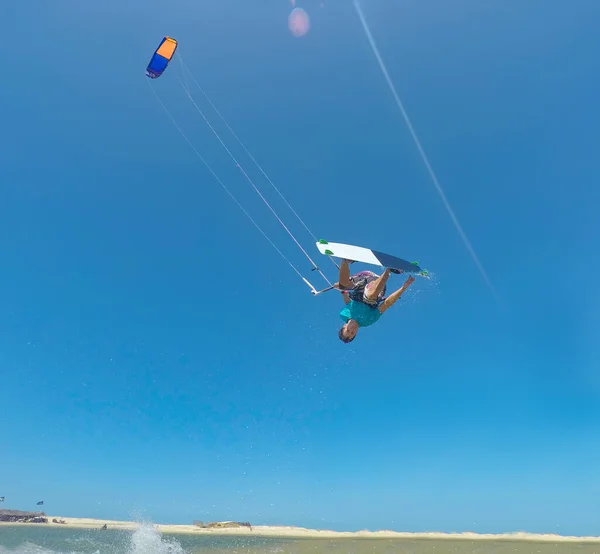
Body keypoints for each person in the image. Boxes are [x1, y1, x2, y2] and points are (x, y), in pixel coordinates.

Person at [335, 259, 415, 343]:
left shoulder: (343, 315)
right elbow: (386, 304)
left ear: (344, 326)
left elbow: (349, 304)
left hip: (365, 277)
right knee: (369, 296)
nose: (352, 330)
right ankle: (389, 270)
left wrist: (343, 292)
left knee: (342, 285)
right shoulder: (368, 320)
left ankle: (345, 261)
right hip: (377, 288)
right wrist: (404, 288)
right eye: (353, 333)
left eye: (348, 331)